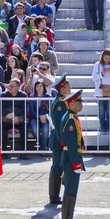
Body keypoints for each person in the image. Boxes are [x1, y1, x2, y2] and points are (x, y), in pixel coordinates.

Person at [60, 90, 86, 219]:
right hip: (71, 157)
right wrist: (76, 163)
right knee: (71, 189)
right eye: (78, 102)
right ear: (71, 104)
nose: (81, 105)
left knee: (71, 188)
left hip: (72, 157)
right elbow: (71, 144)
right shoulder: (70, 119)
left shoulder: (72, 116)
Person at [48, 74, 71, 205]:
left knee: (58, 166)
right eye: (68, 86)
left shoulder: (62, 100)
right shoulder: (60, 103)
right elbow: (59, 123)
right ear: (62, 89)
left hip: (59, 138)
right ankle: (54, 195)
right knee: (57, 166)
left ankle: (55, 194)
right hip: (59, 139)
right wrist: (63, 141)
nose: (70, 88)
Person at [92, 49, 110, 136]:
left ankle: (108, 128)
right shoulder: (97, 65)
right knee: (101, 110)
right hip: (100, 91)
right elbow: (94, 77)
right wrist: (101, 74)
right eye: (106, 58)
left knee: (109, 110)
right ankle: (103, 128)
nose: (107, 60)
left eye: (109, 58)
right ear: (102, 57)